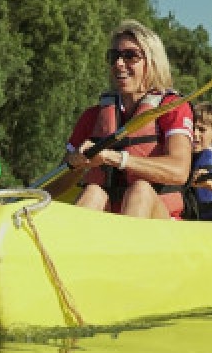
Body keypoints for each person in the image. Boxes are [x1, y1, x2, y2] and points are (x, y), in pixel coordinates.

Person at [60, 19, 194, 219]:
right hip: (110, 218)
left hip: (160, 221)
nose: (119, 64)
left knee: (140, 189)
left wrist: (114, 158)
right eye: (114, 56)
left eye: (130, 56)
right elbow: (56, 186)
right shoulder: (93, 116)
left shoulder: (172, 108)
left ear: (152, 61)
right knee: (93, 192)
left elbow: (179, 171)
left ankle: (128, 238)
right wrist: (75, 163)